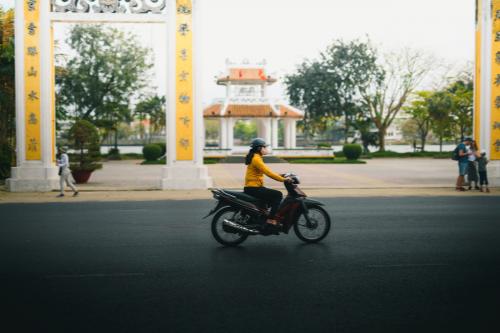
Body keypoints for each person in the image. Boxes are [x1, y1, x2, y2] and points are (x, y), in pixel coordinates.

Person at [244, 138, 290, 227]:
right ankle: (270, 219)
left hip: (252, 187)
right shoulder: (256, 159)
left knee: (270, 198)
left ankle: (262, 217)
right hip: (254, 188)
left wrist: (281, 175)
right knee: (278, 195)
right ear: (259, 148)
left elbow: (267, 171)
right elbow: (268, 173)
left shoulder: (256, 157)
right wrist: (283, 180)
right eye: (265, 147)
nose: (266, 149)